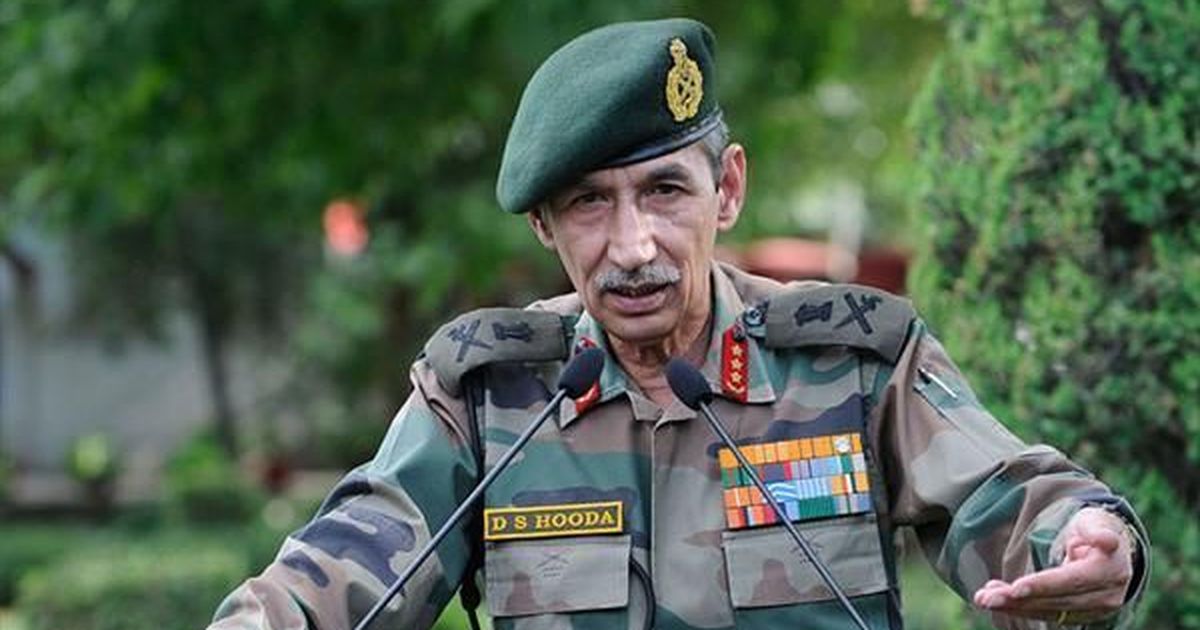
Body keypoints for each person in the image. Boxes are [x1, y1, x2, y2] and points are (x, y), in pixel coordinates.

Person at [209, 18, 1148, 630]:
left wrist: (1082, 536)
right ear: (543, 226)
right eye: (589, 203)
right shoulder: (488, 394)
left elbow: (1004, 494)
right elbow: (353, 559)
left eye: (664, 191)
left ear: (726, 190)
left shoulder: (852, 360)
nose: (632, 246)